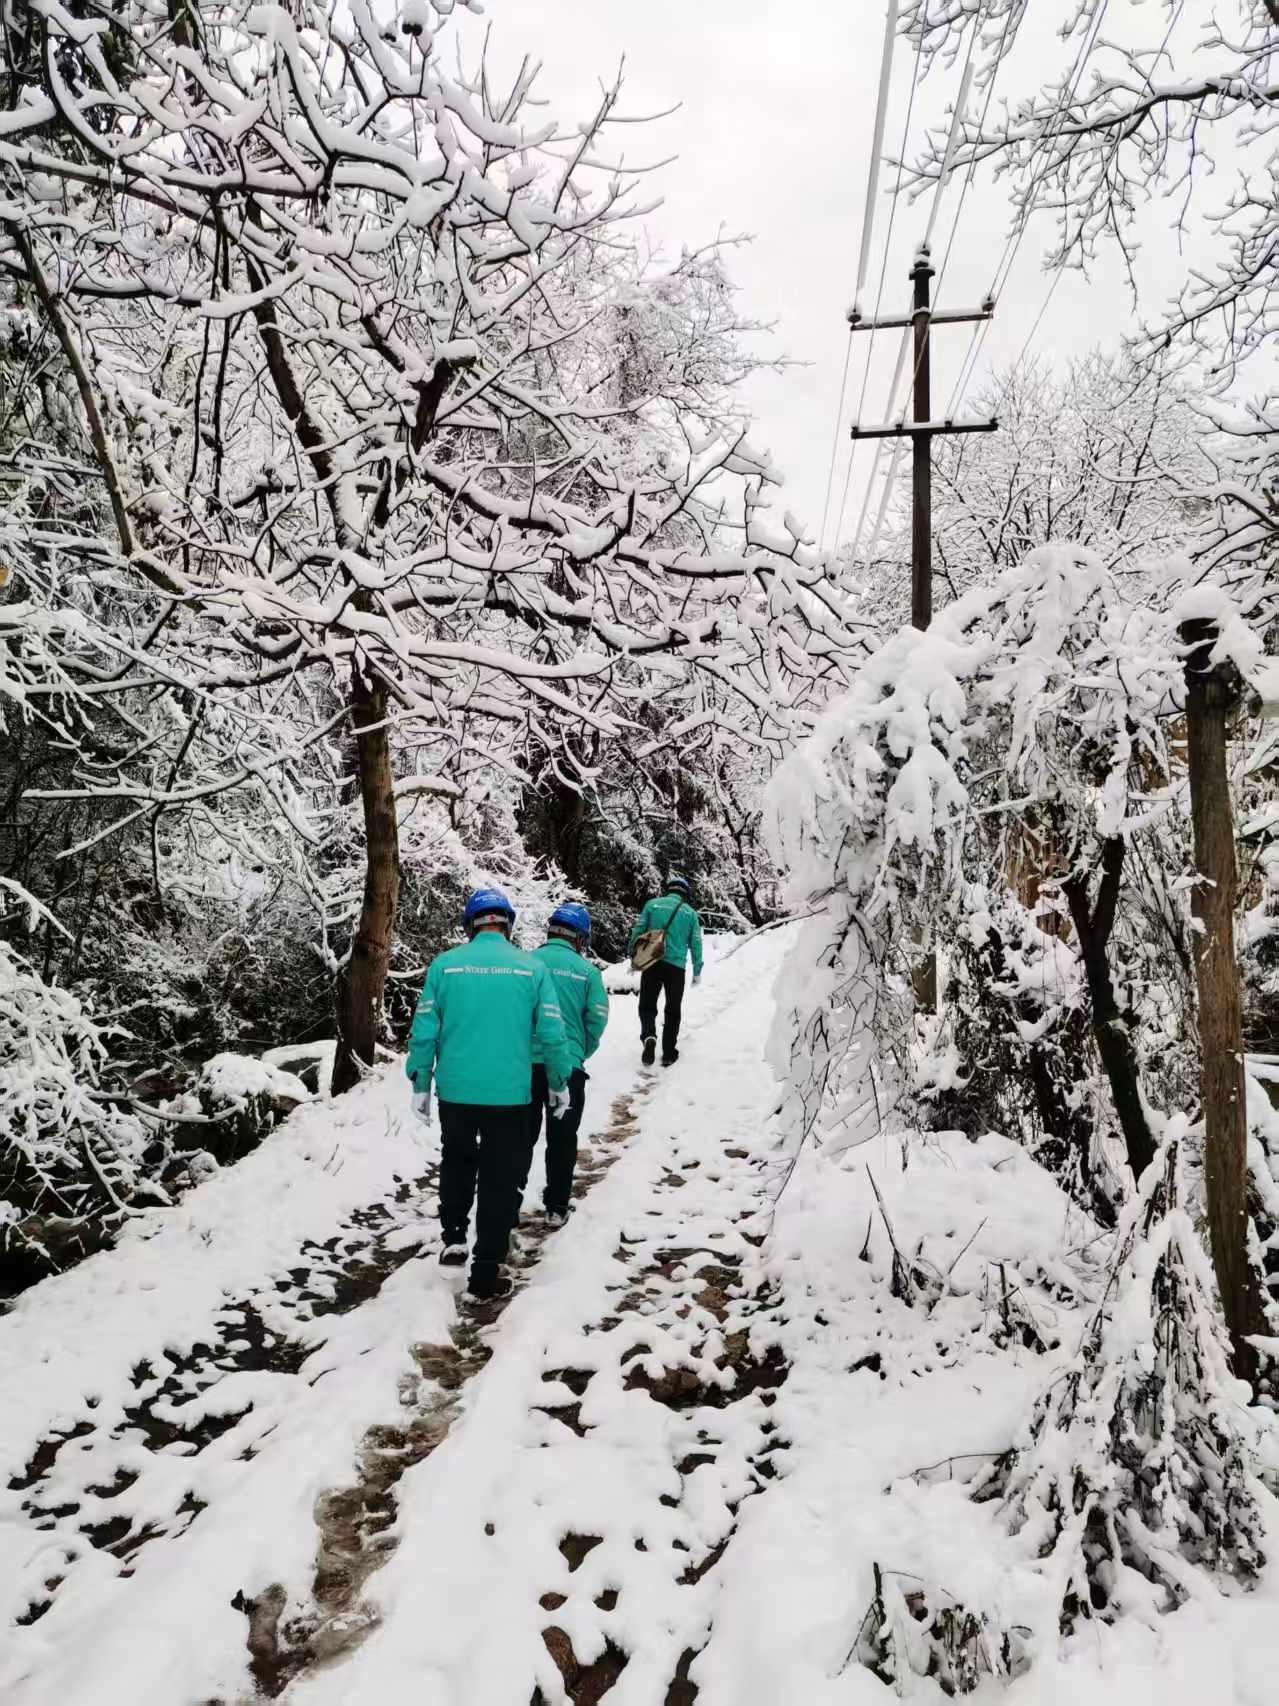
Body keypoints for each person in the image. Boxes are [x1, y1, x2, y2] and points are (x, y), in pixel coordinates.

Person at [406, 887, 574, 1301]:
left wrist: (421, 1083)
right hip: (511, 1095)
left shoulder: (444, 967)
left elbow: (424, 1030)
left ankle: (454, 1238)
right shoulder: (531, 969)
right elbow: (552, 1035)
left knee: (457, 1160)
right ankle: (485, 1269)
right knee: (500, 1176)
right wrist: (558, 1080)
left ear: (470, 924)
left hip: (457, 1091)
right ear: (508, 924)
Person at [517, 902, 610, 1227]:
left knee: (519, 1138)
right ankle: (556, 1206)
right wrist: (580, 1050)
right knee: (562, 1137)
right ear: (581, 938)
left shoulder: (525, 963)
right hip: (568, 1067)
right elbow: (597, 1019)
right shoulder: (587, 973)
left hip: (524, 1066)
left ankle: (508, 1203)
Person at [628, 874, 704, 1067]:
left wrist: (633, 955)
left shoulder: (652, 905)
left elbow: (638, 930)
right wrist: (697, 969)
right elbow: (695, 942)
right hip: (676, 968)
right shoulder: (690, 913)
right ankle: (669, 1052)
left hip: (653, 961)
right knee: (673, 1010)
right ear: (685, 893)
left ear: (668, 889)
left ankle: (649, 1036)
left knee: (647, 1004)